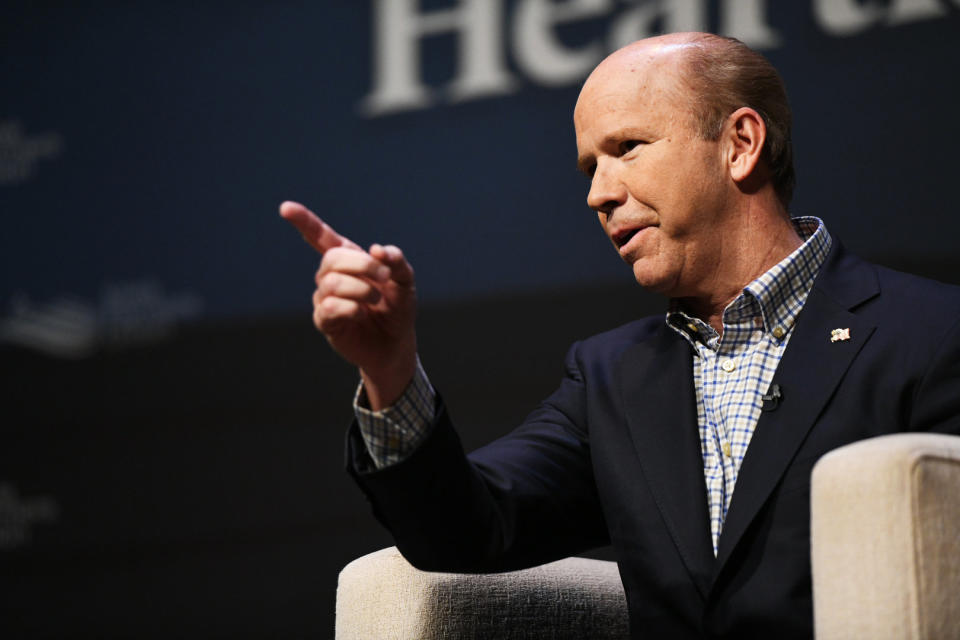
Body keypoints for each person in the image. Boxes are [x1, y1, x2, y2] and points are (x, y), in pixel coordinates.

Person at [281, 32, 960, 639]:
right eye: (589, 169)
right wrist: (391, 369)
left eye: (627, 148)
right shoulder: (612, 375)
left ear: (740, 145)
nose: (598, 194)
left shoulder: (929, 334)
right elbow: (468, 530)